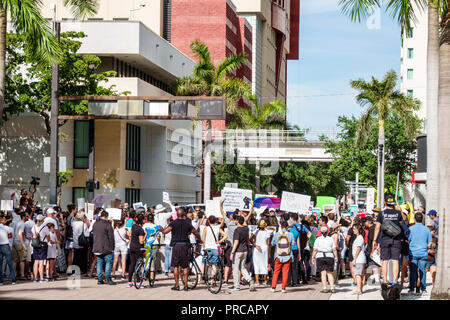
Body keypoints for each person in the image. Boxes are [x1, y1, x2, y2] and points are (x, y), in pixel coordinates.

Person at [161, 207, 202, 291]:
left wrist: (161, 229)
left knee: (176, 266)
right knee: (185, 266)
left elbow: (165, 231)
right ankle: (186, 285)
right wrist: (200, 239)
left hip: (176, 246)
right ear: (184, 215)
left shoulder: (173, 223)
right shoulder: (187, 223)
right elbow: (195, 232)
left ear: (177, 214)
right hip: (185, 246)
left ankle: (177, 285)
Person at [372, 196, 404, 285]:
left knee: (385, 261)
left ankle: (385, 281)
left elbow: (377, 227)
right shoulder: (398, 213)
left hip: (385, 240)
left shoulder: (381, 214)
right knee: (395, 260)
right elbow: (403, 222)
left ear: (385, 203)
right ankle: (394, 281)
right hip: (396, 239)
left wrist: (375, 240)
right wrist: (398, 207)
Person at [408, 212, 433, 294]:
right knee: (422, 271)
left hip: (413, 253)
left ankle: (412, 289)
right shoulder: (426, 229)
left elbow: (408, 240)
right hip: (423, 253)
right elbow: (430, 243)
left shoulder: (411, 229)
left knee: (412, 272)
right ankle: (423, 289)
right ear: (422, 220)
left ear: (414, 219)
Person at [270, 221, 295, 293]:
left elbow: (272, 243)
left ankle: (273, 287)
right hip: (288, 256)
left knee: (276, 272)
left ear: (281, 227)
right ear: (287, 227)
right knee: (285, 272)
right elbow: (293, 244)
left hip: (278, 255)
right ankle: (283, 288)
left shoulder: (277, 234)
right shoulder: (290, 234)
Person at [92, 210, 116, 285]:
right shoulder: (107, 225)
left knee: (99, 262)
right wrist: (113, 247)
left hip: (97, 246)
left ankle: (100, 279)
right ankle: (108, 278)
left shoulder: (95, 224)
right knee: (108, 262)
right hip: (106, 247)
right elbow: (111, 237)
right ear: (106, 217)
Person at [312, 226, 338, 293]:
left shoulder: (318, 239)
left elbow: (315, 249)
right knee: (330, 273)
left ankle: (325, 288)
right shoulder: (331, 239)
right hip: (329, 256)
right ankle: (332, 287)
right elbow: (334, 249)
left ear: (320, 232)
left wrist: (312, 257)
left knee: (323, 273)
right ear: (327, 232)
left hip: (320, 256)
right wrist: (336, 257)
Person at [250, 219, 271, 286]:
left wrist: (255, 245)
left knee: (256, 264)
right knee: (264, 264)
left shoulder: (255, 231)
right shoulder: (267, 232)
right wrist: (269, 253)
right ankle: (265, 281)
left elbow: (250, 239)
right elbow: (268, 244)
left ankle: (257, 281)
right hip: (265, 248)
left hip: (257, 248)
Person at [127, 213, 146, 287]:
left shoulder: (133, 226)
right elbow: (141, 241)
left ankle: (129, 282)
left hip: (132, 246)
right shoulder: (140, 229)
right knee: (138, 264)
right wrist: (145, 236)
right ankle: (138, 282)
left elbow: (131, 235)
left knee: (132, 264)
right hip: (138, 248)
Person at [32, 214, 50, 282]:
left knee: (36, 261)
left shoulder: (33, 227)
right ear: (42, 220)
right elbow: (48, 236)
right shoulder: (45, 227)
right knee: (41, 261)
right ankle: (42, 278)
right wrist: (48, 241)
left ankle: (35, 278)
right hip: (42, 244)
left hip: (35, 245)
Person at [72, 211, 90, 276]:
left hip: (75, 242)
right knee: (83, 257)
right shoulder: (83, 224)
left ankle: (74, 270)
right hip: (82, 242)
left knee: (76, 257)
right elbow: (87, 234)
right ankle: (83, 270)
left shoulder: (73, 223)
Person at [0, 213, 16, 285]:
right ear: (2, 221)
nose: (6, 221)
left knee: (0, 264)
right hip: (6, 245)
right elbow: (10, 236)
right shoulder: (7, 228)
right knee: (10, 263)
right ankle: (13, 280)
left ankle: (0, 281)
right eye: (4, 220)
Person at [12, 211, 27, 280]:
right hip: (19, 243)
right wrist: (23, 244)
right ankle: (22, 275)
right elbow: (20, 234)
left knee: (15, 260)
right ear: (23, 217)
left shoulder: (18, 223)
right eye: (26, 216)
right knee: (22, 260)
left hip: (14, 242)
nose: (28, 217)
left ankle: (14, 274)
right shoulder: (22, 224)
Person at [351, 224, 366, 295]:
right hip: (361, 259)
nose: (353, 230)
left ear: (359, 230)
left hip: (359, 259)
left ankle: (359, 290)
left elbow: (358, 248)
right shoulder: (359, 237)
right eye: (353, 229)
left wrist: (354, 258)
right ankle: (360, 289)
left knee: (358, 275)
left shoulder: (359, 237)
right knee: (361, 275)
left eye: (355, 229)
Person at [287, 216, 301, 287]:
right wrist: (299, 253)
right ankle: (295, 282)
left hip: (288, 250)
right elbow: (298, 243)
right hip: (295, 250)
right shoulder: (296, 232)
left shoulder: (287, 232)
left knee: (288, 266)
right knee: (294, 266)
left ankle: (288, 282)